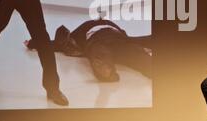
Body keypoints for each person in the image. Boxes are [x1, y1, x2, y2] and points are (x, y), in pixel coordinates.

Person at [24, 19, 152, 82]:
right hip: (115, 40)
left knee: (101, 49)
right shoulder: (75, 37)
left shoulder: (78, 33)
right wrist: (33, 43)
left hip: (102, 38)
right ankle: (153, 66)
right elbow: (53, 44)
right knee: (131, 50)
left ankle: (106, 71)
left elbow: (54, 44)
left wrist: (33, 43)